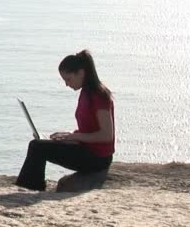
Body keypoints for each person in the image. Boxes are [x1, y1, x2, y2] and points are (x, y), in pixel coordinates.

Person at [15, 49, 115, 191]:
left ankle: (30, 188)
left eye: (68, 79)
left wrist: (74, 136)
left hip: (97, 158)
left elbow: (106, 135)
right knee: (38, 145)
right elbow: (89, 130)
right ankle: (31, 187)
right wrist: (67, 135)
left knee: (37, 147)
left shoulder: (99, 96)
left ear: (81, 73)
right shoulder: (86, 92)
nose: (67, 84)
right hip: (87, 149)